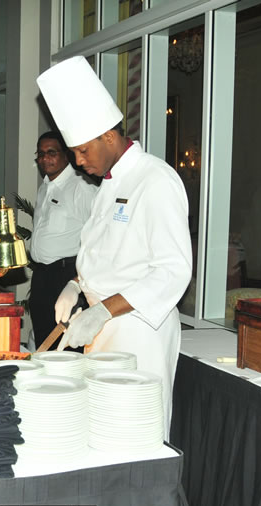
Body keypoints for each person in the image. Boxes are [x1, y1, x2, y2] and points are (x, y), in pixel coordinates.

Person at [37, 57, 192, 438]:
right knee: (101, 430)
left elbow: (173, 270)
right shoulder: (108, 183)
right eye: (73, 152)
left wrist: (104, 309)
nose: (77, 161)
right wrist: (76, 284)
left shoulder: (155, 180)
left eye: (83, 151)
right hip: (101, 326)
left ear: (109, 136)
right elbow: (106, 253)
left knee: (133, 432)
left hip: (139, 331)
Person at [28, 131, 97, 349]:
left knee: (65, 347)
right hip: (41, 277)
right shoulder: (46, 185)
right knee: (43, 342)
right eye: (40, 154)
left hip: (66, 277)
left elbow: (97, 235)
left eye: (51, 153)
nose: (44, 159)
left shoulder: (81, 187)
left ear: (66, 155)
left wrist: (79, 279)